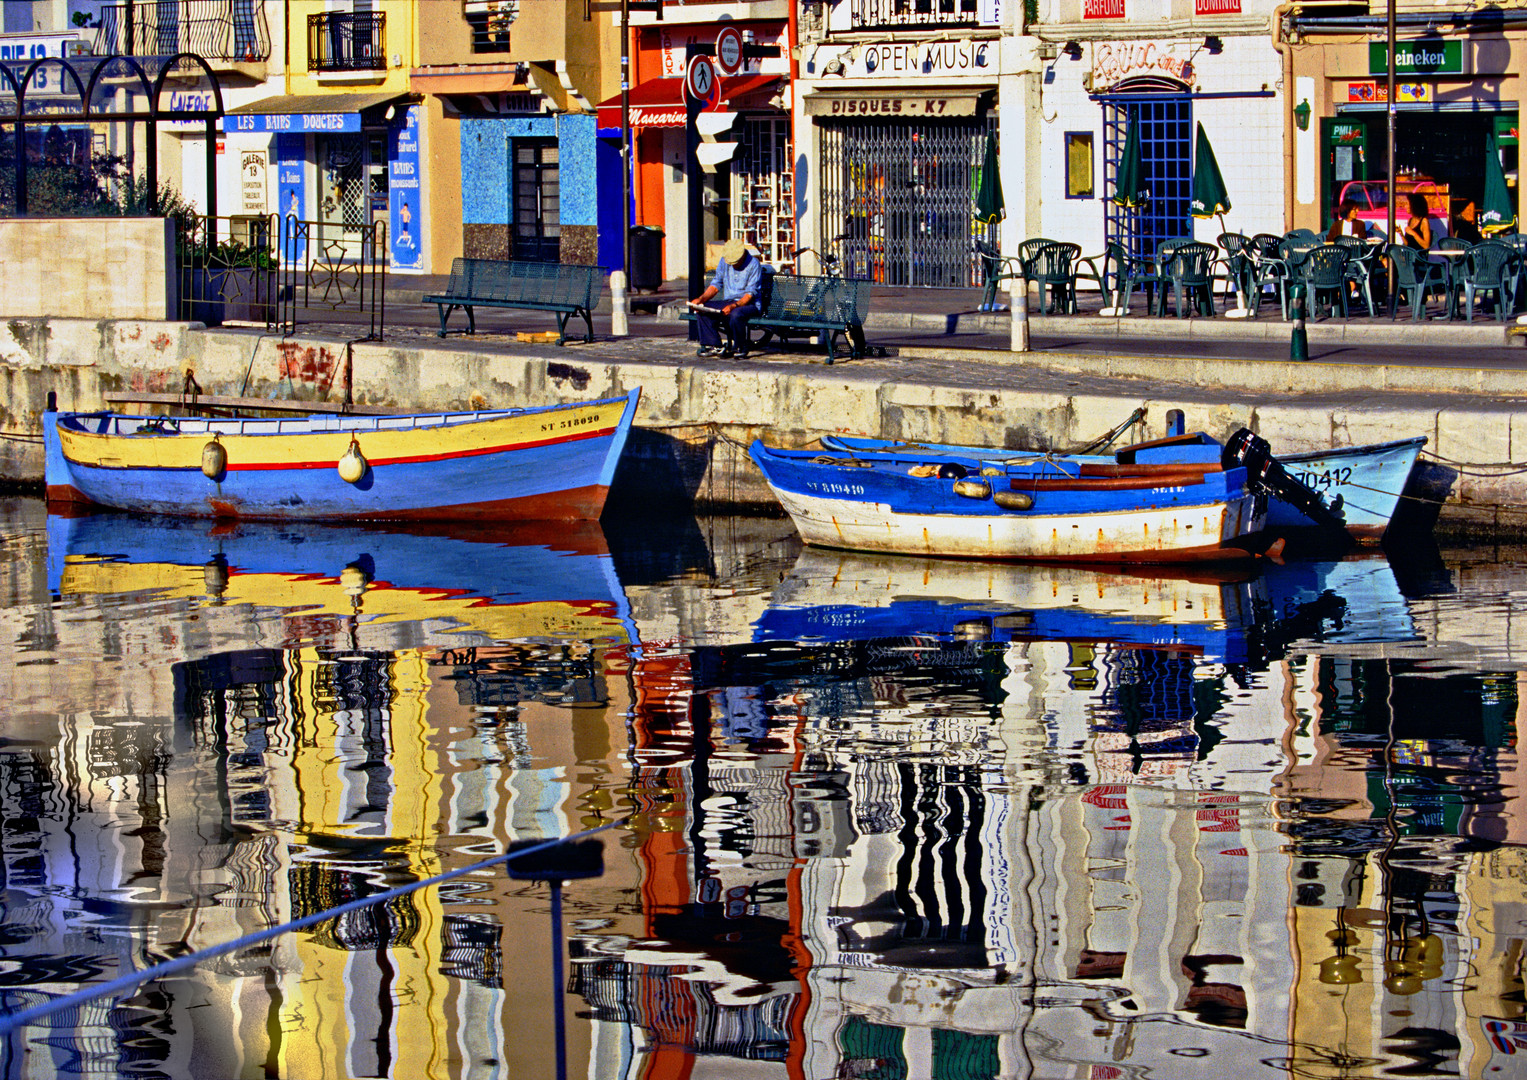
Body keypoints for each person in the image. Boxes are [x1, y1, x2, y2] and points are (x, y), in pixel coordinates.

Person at [688, 237, 761, 358]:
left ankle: (740, 346)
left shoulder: (754, 264)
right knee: (701, 309)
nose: (733, 265)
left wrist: (733, 306)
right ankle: (714, 345)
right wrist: (701, 299)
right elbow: (716, 285)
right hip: (729, 301)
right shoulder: (724, 261)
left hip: (748, 304)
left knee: (735, 314)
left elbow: (750, 294)